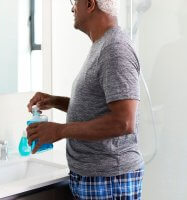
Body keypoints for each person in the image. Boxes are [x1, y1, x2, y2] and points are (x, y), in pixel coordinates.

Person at [26, 0, 144, 199]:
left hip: (109, 179)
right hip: (97, 178)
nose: (72, 8)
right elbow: (96, 109)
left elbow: (123, 122)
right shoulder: (102, 46)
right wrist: (54, 101)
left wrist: (60, 130)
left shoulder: (115, 49)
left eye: (75, 2)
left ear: (90, 4)